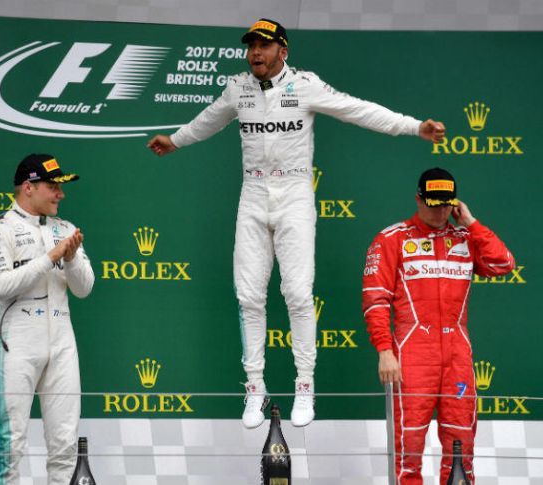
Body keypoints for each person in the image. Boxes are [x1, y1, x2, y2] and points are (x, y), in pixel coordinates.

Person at [148, 18, 446, 429]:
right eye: (251, 46)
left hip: (294, 195)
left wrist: (414, 127)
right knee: (248, 295)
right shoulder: (238, 88)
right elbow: (210, 118)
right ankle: (255, 386)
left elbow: (358, 110)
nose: (255, 53)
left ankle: (305, 385)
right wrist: (176, 139)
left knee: (298, 293)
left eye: (264, 45)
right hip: (253, 194)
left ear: (282, 51)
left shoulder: (305, 85)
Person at [361, 167, 515, 485]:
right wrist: (385, 351)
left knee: (462, 445)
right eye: (433, 203)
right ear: (418, 199)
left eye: (446, 204)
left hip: (457, 357)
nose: (440, 211)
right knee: (408, 448)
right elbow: (375, 299)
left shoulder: (466, 239)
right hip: (413, 357)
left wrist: (471, 223)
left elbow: (504, 263)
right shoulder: (392, 239)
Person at [0, 154, 95, 485]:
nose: (61, 194)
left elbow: (84, 289)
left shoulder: (65, 229)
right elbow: (1, 286)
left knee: (64, 446)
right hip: (18, 343)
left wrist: (71, 259)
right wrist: (51, 257)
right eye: (53, 186)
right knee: (11, 445)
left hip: (62, 344)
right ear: (28, 187)